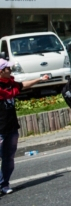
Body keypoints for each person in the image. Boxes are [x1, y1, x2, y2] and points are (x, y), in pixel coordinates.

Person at [0, 60, 49, 194]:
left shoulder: (11, 84)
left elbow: (22, 85)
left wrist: (39, 79)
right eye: (7, 68)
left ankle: (3, 184)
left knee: (9, 158)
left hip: (11, 127)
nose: (10, 69)